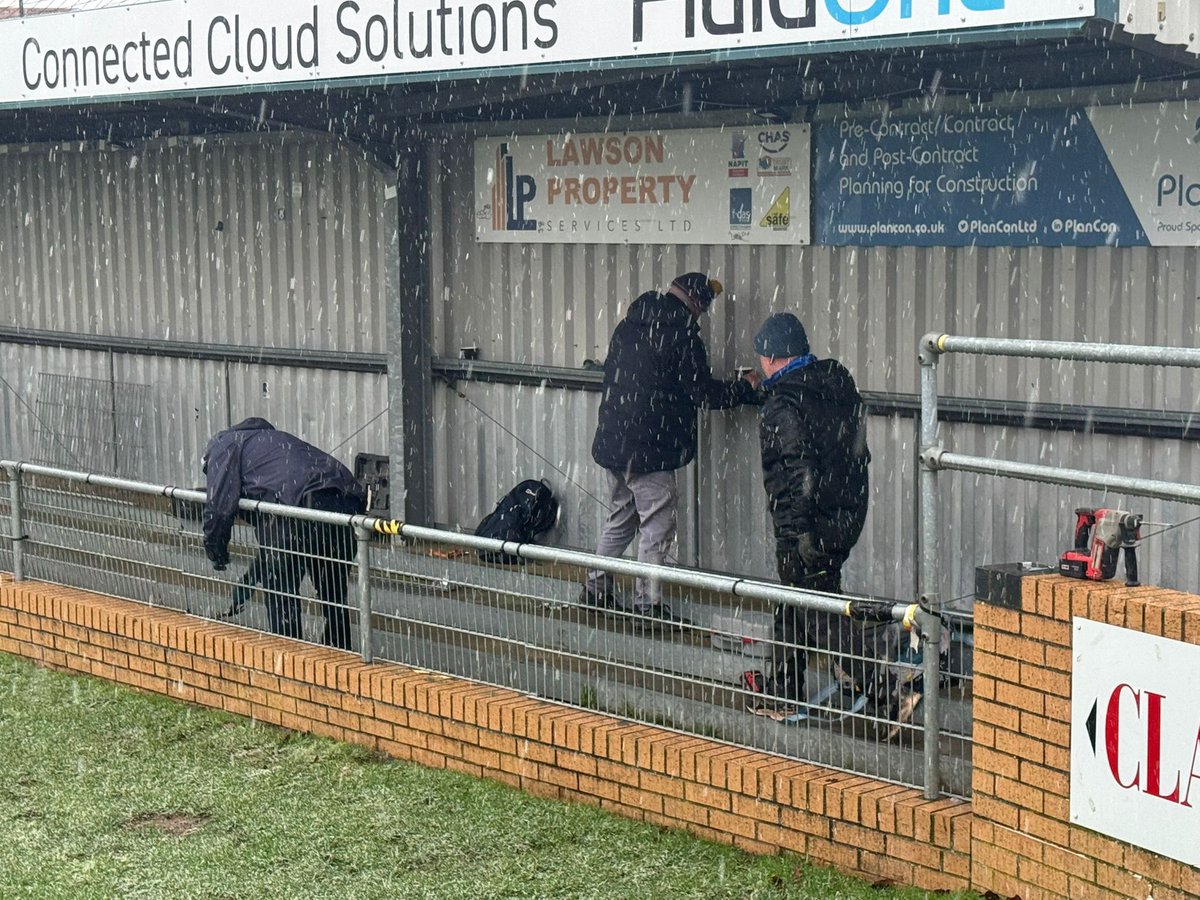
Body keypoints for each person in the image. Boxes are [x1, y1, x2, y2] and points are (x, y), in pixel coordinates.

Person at [582, 271, 760, 625]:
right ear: (697, 305)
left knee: (621, 516)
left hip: (614, 442)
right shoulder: (682, 337)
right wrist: (744, 387)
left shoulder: (629, 324)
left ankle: (594, 589)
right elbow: (702, 394)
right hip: (650, 451)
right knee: (657, 526)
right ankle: (647, 607)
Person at [745, 313, 874, 716]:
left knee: (818, 610)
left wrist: (800, 534)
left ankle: (884, 687)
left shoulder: (783, 405)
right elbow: (851, 456)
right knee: (793, 600)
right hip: (845, 515)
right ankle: (784, 689)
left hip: (806, 526)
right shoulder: (834, 388)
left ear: (770, 357)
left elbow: (800, 473)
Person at [202, 417, 367, 650]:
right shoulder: (269, 443)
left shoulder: (224, 446)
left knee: (280, 589)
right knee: (332, 589)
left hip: (297, 505)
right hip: (345, 497)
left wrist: (215, 551)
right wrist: (247, 582)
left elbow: (218, 507)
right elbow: (270, 551)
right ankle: (340, 651)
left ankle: (288, 658)